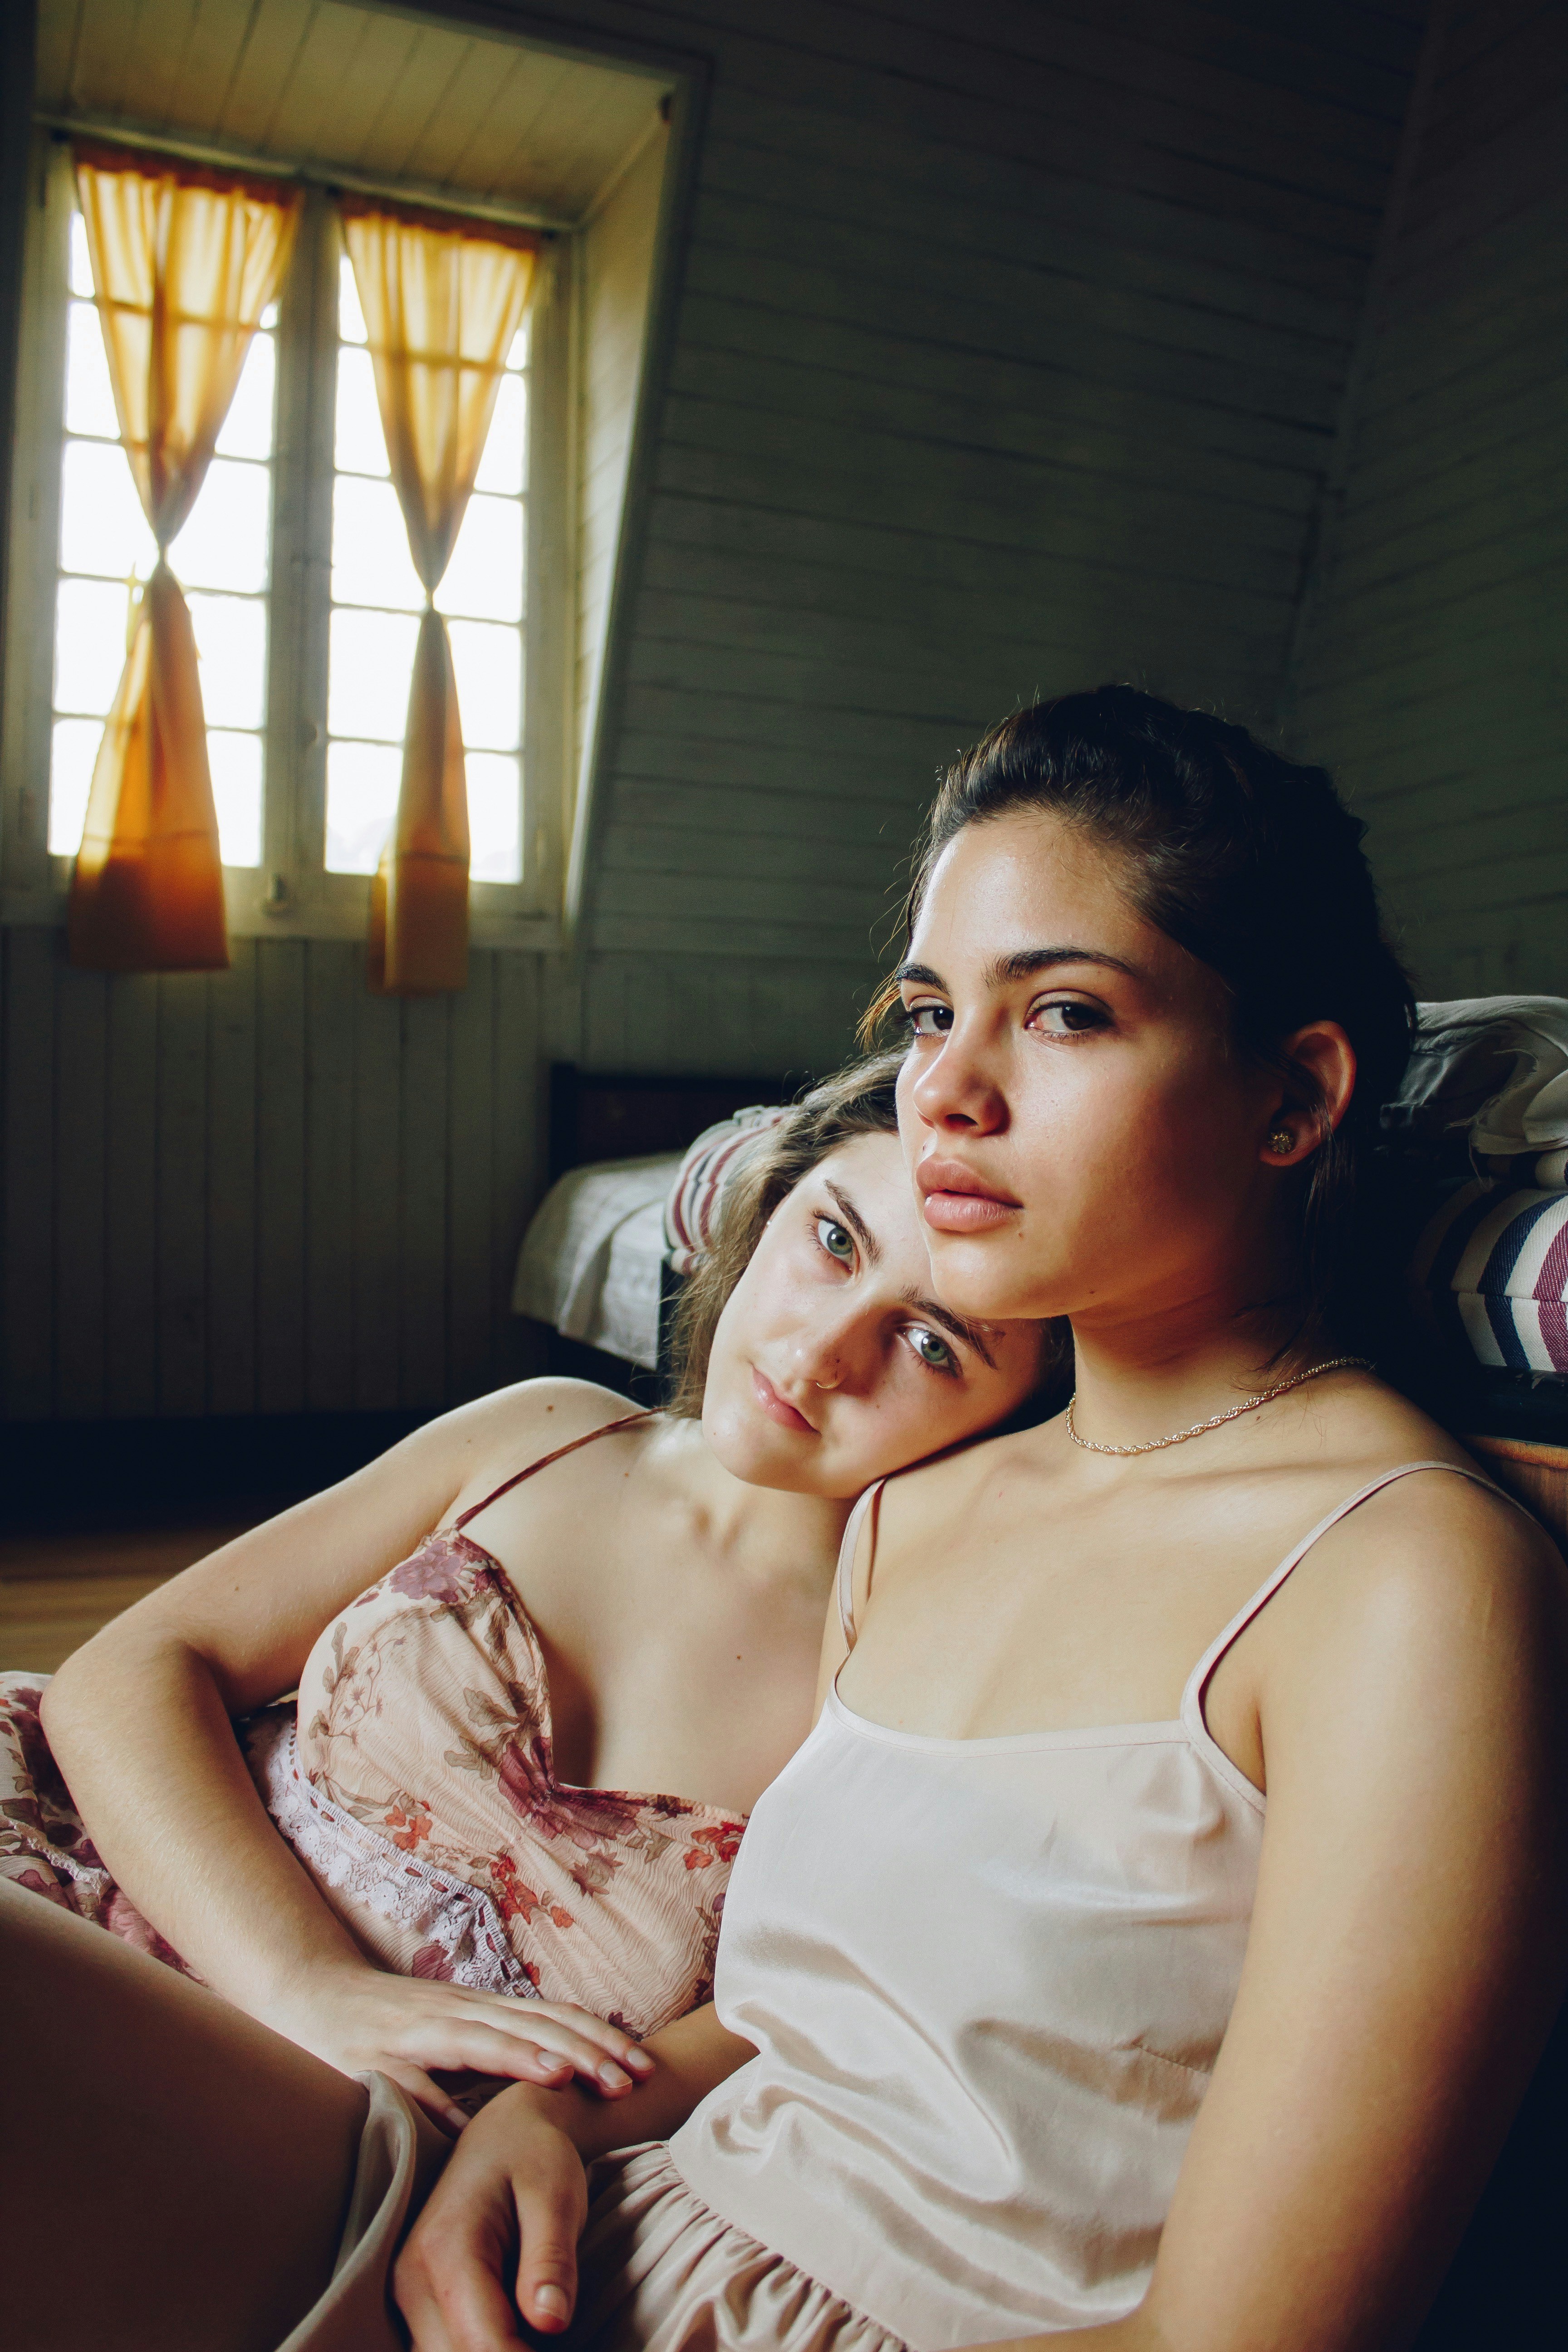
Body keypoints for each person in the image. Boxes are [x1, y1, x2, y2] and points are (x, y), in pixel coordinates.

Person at [4, 688, 1563, 2352]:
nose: (946, 1091)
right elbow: (805, 2013)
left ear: (1291, 1099)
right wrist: (563, 2118)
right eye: (927, 1009)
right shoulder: (921, 1511)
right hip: (563, 2231)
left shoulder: (1407, 1579)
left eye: (1064, 1016)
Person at [1, 1055, 1046, 2138]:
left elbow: (806, 2008)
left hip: (332, 2151)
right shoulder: (549, 1432)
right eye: (834, 1240)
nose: (822, 1353)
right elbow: (129, 1672)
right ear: (777, 1199)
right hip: (101, 1883)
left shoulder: (899, 1680)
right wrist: (302, 1986)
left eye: (932, 1342)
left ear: (1017, 1423)